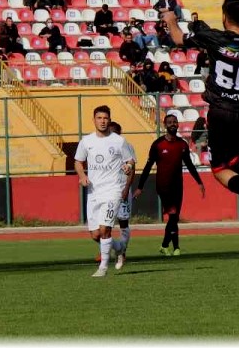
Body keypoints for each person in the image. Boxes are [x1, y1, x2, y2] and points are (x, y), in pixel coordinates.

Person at [161, 0, 239, 223]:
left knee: (218, 168)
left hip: (221, 111)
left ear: (224, 16)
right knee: (233, 157)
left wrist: (171, 20)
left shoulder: (214, 37)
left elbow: (178, 39)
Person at [73, 105, 135, 277]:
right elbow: (78, 162)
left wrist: (128, 166)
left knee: (105, 229)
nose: (102, 121)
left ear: (109, 119)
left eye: (105, 118)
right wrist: (82, 175)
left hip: (113, 191)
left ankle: (103, 267)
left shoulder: (118, 141)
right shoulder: (86, 142)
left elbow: (130, 161)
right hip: (93, 192)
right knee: (95, 235)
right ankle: (119, 246)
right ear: (94, 120)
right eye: (99, 118)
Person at [136, 113, 205, 256]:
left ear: (178, 124)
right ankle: (177, 248)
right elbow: (148, 167)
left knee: (174, 217)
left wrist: (199, 182)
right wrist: (140, 187)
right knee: (173, 215)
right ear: (165, 125)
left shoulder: (182, 145)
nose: (173, 124)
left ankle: (165, 245)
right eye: (170, 122)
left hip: (178, 186)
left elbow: (190, 165)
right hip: (163, 186)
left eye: (175, 122)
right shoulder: (158, 145)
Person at [106, 121, 137, 270]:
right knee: (105, 224)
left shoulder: (127, 146)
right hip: (107, 190)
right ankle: (107, 251)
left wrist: (126, 189)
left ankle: (122, 251)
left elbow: (132, 170)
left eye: (114, 132)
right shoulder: (103, 147)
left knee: (123, 222)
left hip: (122, 189)